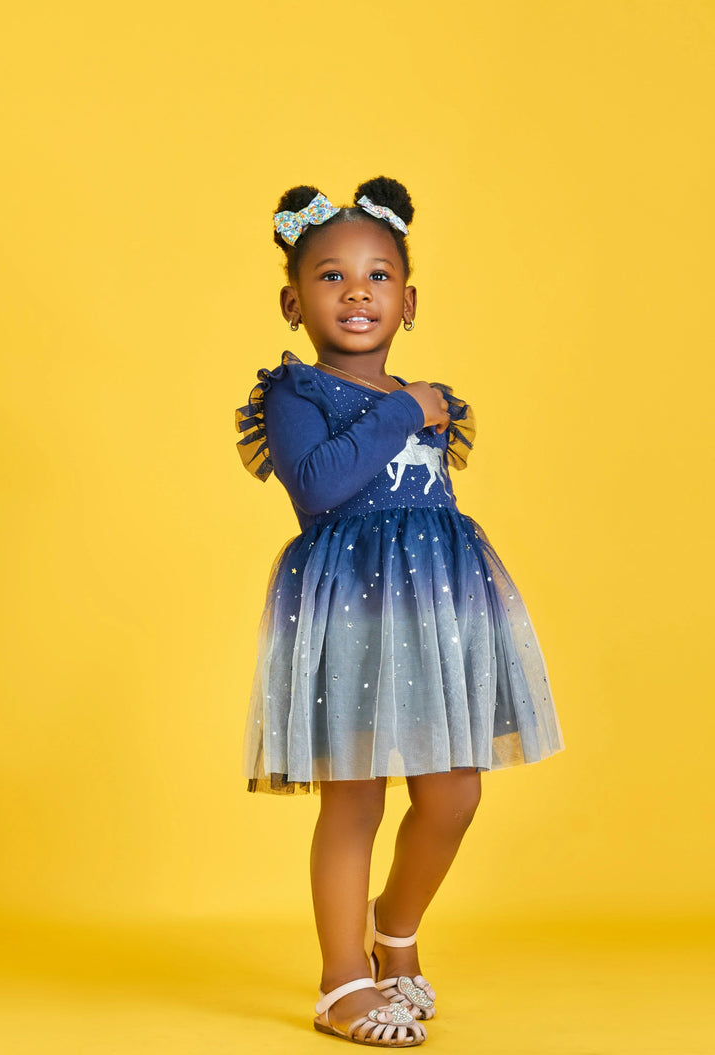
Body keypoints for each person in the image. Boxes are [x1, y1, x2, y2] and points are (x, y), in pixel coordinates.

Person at [235, 176, 565, 1047]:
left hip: (434, 611)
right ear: (293, 302)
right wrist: (401, 409)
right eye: (331, 276)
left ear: (408, 302)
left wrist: (415, 404)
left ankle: (396, 928)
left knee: (454, 793)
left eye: (378, 275)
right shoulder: (297, 393)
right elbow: (319, 486)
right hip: (351, 614)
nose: (357, 292)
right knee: (354, 800)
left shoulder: (433, 400)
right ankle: (343, 980)